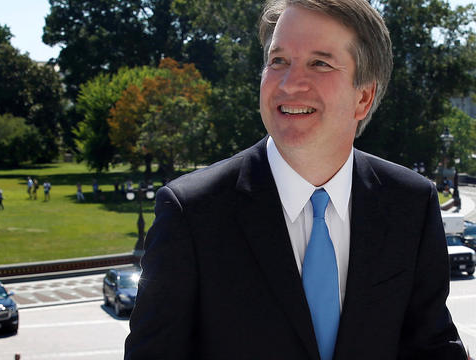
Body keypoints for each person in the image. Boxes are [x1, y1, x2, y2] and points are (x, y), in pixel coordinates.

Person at [124, 0, 466, 359]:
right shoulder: (190, 213)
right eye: (278, 61)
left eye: (319, 63)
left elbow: (431, 344)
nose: (289, 84)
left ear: (363, 97)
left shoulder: (410, 204)